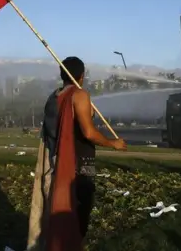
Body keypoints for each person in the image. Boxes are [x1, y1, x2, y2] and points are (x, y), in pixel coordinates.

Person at [26, 56, 127, 251]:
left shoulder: (52, 98)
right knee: (76, 220)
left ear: (62, 74)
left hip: (55, 163)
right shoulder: (79, 95)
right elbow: (88, 132)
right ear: (82, 76)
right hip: (77, 167)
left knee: (56, 216)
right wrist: (113, 143)